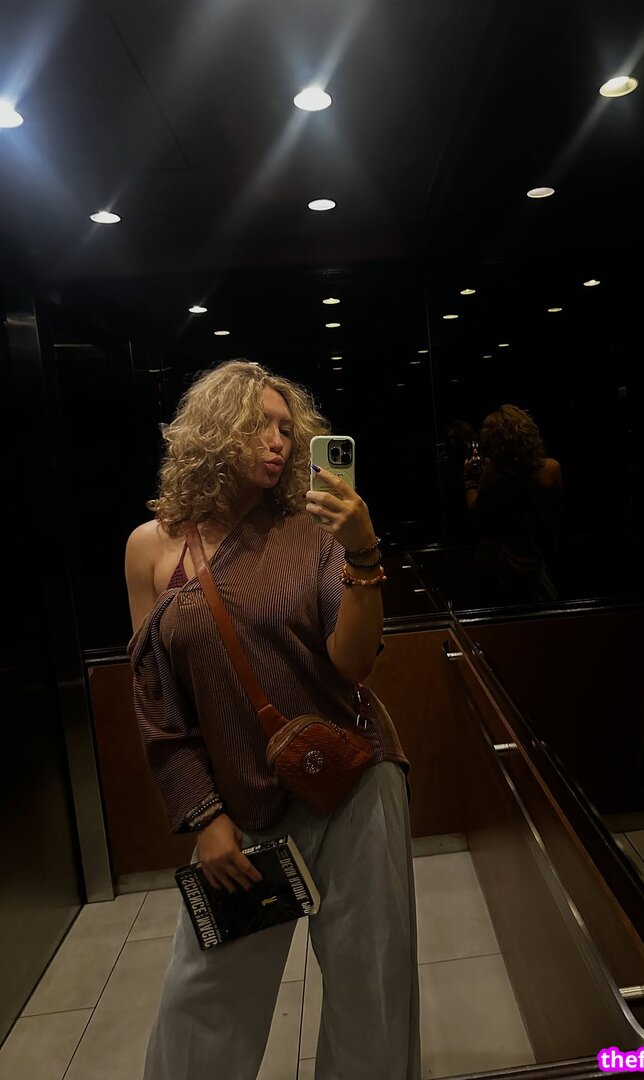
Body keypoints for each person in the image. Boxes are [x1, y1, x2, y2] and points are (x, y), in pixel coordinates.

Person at [124, 360, 420, 1080]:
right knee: (204, 1002)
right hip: (240, 800)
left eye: (288, 428)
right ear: (215, 427)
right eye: (260, 424)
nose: (279, 441)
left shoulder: (310, 530)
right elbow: (156, 702)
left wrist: (363, 553)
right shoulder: (153, 548)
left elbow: (353, 662)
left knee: (369, 992)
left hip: (352, 776)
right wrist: (204, 816)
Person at [462, 404, 562, 605]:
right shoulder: (551, 469)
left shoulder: (492, 474)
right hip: (539, 554)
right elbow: (556, 514)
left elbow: (477, 515)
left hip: (500, 563)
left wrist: (469, 481)